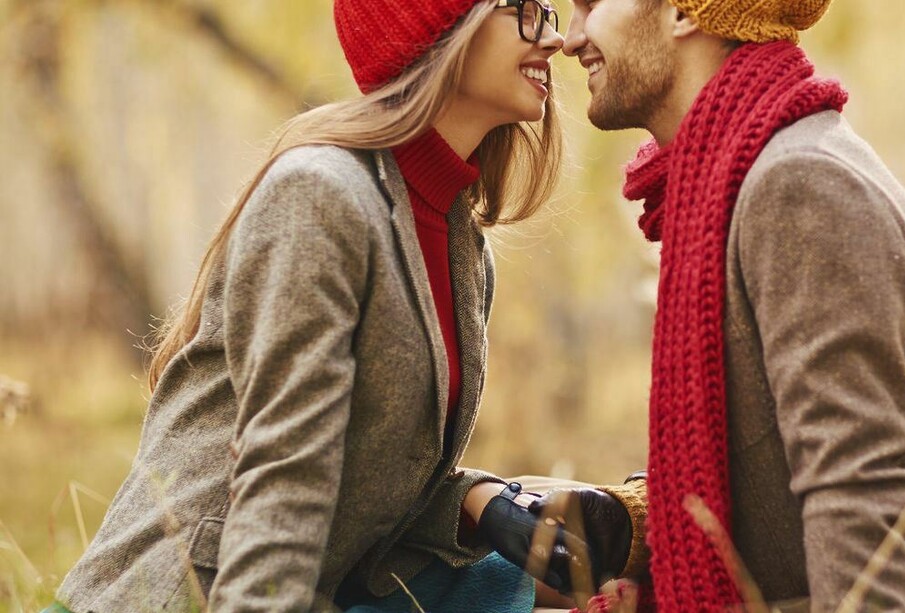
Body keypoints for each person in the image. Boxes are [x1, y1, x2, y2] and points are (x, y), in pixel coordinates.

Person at [47, 0, 575, 611]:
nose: (554, 40)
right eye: (525, 10)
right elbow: (285, 478)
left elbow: (369, 479)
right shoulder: (321, 196)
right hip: (201, 596)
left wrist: (479, 504)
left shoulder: (463, 246)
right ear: (436, 26)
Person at [505, 0, 905, 611]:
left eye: (592, 5)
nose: (570, 40)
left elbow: (857, 509)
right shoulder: (748, 179)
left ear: (682, 11)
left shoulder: (800, 185)